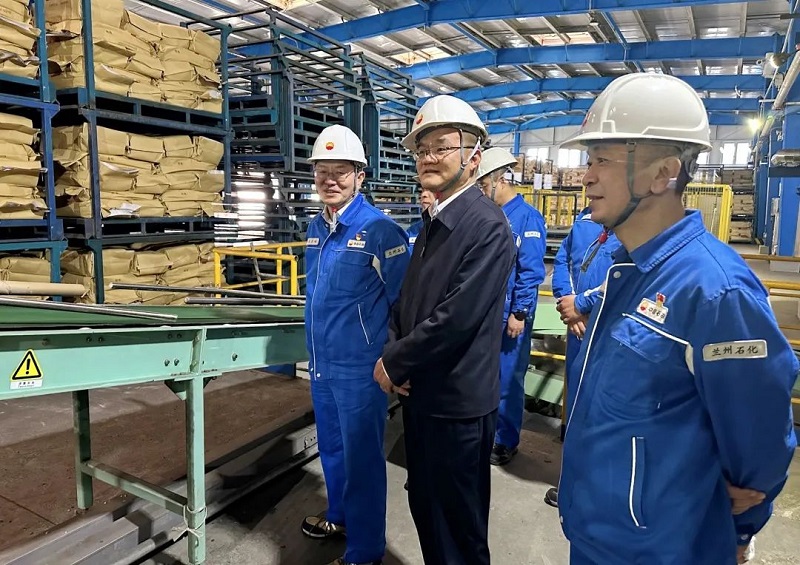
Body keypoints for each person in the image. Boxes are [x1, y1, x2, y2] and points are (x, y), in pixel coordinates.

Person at [556, 73, 797, 565]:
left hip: (665, 547)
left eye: (602, 159)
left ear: (663, 173)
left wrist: (739, 528)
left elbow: (758, 439)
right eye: (588, 160)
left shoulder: (715, 290)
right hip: (595, 532)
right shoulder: (626, 270)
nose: (586, 176)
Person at [372, 95, 515, 565]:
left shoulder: (487, 227)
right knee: (426, 509)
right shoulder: (434, 220)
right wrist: (394, 352)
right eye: (422, 149)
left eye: (442, 147)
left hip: (457, 407)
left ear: (473, 157)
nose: (429, 157)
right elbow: (407, 302)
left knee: (458, 527)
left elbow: (456, 318)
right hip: (422, 397)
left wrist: (394, 361)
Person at [302, 124, 411, 565]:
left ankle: (365, 552)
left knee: (362, 459)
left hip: (361, 369)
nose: (330, 180)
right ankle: (339, 517)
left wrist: (396, 361)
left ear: (360, 176)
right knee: (331, 449)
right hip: (321, 363)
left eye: (341, 171)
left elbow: (403, 303)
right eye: (322, 171)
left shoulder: (380, 230)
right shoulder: (315, 227)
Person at [475, 147, 547, 466]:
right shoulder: (489, 215)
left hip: (510, 318)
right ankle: (485, 432)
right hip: (486, 314)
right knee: (485, 378)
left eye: (483, 185)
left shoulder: (527, 217)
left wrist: (520, 313)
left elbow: (530, 271)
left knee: (507, 380)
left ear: (499, 180)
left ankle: (505, 440)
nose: (480, 191)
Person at [545, 208, 619, 507]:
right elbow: (562, 261)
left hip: (608, 331)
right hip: (579, 333)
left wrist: (583, 305)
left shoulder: (635, 228)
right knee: (577, 408)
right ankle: (573, 483)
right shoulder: (585, 223)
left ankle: (598, 490)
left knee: (606, 411)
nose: (590, 186)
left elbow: (625, 277)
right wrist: (569, 304)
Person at [407, 182, 435, 253]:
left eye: (431, 190)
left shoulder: (456, 231)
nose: (423, 195)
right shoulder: (412, 230)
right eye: (422, 190)